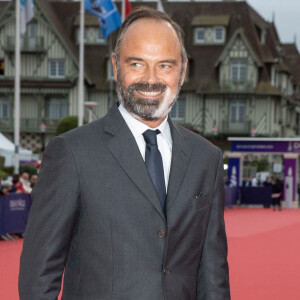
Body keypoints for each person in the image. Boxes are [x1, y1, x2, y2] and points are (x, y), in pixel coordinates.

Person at [19, 7, 230, 300]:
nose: (151, 79)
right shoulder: (71, 153)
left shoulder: (206, 158)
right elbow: (38, 279)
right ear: (116, 67)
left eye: (165, 65)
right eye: (137, 64)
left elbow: (213, 272)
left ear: (182, 72)